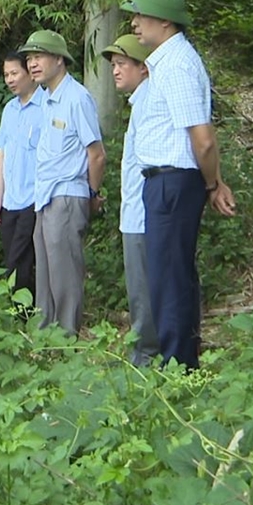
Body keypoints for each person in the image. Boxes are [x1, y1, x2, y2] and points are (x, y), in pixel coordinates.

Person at [122, 0, 236, 370]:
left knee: (168, 281)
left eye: (141, 15)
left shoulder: (178, 66)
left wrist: (212, 183)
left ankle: (179, 369)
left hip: (173, 181)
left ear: (166, 23)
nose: (135, 23)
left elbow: (202, 140)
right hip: (166, 182)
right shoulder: (166, 63)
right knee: (171, 276)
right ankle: (183, 361)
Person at [18, 30, 105, 335]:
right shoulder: (46, 99)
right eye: (29, 58)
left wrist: (92, 193)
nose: (32, 64)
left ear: (59, 59)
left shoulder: (77, 98)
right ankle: (45, 336)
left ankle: (67, 339)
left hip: (67, 195)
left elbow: (96, 154)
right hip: (45, 196)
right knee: (45, 272)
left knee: (65, 273)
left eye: (38, 57)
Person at [102, 34, 159, 365]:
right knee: (140, 286)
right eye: (113, 65)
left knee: (144, 288)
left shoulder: (150, 101)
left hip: (144, 213)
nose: (115, 71)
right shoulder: (140, 102)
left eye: (123, 64)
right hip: (136, 213)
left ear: (144, 68)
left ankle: (146, 354)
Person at [0, 50, 42, 307]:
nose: (9, 80)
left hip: (34, 199)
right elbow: (2, 154)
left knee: (19, 262)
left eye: (14, 73)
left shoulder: (47, 105)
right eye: (6, 75)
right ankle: (23, 314)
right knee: (13, 257)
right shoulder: (9, 109)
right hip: (10, 201)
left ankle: (20, 316)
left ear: (30, 73)